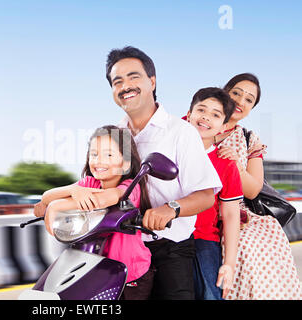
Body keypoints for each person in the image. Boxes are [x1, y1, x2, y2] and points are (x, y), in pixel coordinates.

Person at [105, 46, 222, 300]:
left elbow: (205, 195)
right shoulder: (113, 135)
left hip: (171, 248)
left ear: (152, 81)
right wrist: (52, 198)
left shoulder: (181, 132)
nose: (126, 85)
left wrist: (171, 208)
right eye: (118, 81)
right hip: (123, 246)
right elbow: (93, 180)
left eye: (134, 77)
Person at [34, 125, 155, 300]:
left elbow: (104, 199)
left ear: (126, 163)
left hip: (131, 272)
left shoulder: (131, 187)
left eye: (109, 154)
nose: (99, 160)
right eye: (94, 154)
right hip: (95, 267)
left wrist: (56, 205)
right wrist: (74, 192)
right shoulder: (90, 183)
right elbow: (47, 195)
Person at [214, 73, 302, 299]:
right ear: (224, 92)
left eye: (249, 99)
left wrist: (235, 164)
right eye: (236, 93)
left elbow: (252, 189)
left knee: (261, 241)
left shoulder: (248, 139)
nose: (240, 102)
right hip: (201, 206)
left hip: (237, 210)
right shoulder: (200, 123)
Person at [185, 87, 242, 300]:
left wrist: (229, 263)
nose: (206, 118)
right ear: (188, 114)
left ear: (224, 126)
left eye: (215, 115)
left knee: (210, 292)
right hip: (166, 235)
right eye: (201, 110)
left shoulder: (226, 163)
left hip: (203, 238)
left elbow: (230, 214)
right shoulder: (168, 150)